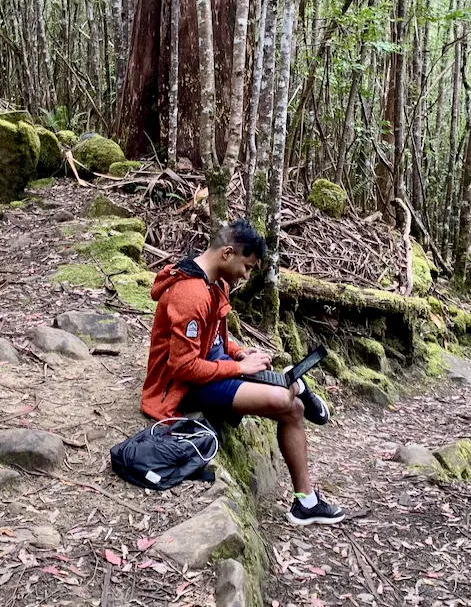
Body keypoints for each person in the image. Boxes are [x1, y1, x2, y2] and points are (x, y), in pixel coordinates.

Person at [141, 219, 345, 526]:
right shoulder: (190, 294)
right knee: (281, 400)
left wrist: (239, 352)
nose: (246, 274)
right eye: (247, 266)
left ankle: (306, 502)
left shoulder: (216, 283)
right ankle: (298, 385)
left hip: (214, 370)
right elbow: (183, 367)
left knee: (294, 410)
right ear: (227, 253)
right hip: (184, 386)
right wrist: (239, 367)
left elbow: (214, 337)